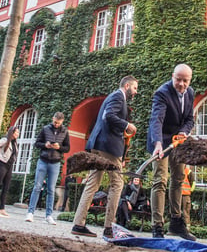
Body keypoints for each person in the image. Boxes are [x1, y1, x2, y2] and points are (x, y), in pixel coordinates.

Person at [71, 76, 137, 238]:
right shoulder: (117, 96)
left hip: (98, 144)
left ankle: (78, 224)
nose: (136, 92)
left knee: (92, 184)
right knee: (117, 183)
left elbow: (107, 118)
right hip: (108, 147)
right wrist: (127, 125)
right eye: (135, 88)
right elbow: (108, 116)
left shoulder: (113, 96)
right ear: (127, 85)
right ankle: (109, 227)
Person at [147, 63, 196, 240]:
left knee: (178, 179)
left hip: (178, 142)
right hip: (162, 140)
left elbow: (190, 119)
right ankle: (157, 226)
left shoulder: (190, 93)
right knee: (160, 180)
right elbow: (156, 119)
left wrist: (183, 132)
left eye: (185, 81)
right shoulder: (162, 92)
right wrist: (158, 143)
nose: (182, 84)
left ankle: (176, 223)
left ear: (189, 80)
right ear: (172, 76)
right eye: (178, 80)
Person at [25, 112, 70, 224]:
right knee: (37, 187)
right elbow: (37, 143)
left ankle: (49, 215)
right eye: (55, 122)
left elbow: (67, 148)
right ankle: (30, 212)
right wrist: (45, 145)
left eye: (58, 123)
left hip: (55, 162)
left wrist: (59, 147)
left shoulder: (65, 132)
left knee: (51, 189)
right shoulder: (45, 129)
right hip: (43, 160)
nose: (56, 124)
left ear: (62, 121)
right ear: (52, 118)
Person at [0, 125, 19, 217]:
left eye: (18, 132)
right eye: (16, 132)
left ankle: (2, 209)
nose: (17, 134)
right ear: (12, 132)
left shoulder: (15, 142)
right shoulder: (5, 140)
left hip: (10, 166)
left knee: (6, 187)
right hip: (2, 164)